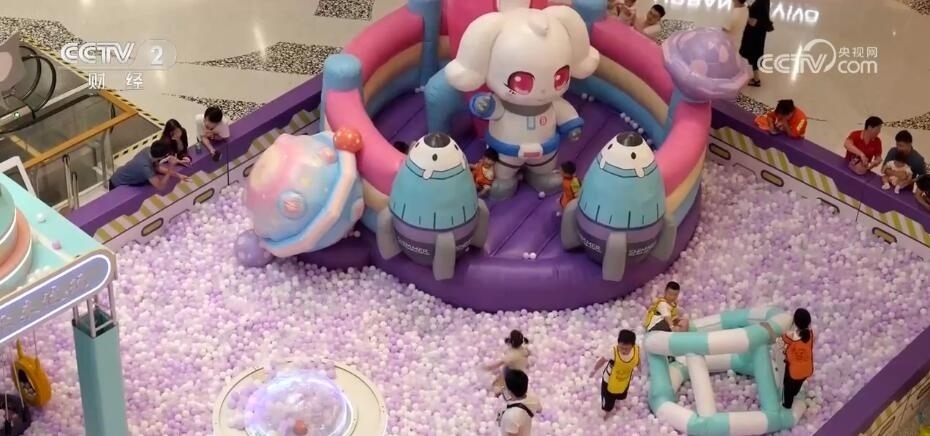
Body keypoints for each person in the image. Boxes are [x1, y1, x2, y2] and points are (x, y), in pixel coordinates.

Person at [590, 329, 640, 420]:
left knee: (621, 394)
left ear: (632, 346)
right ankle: (606, 413)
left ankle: (617, 401)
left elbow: (637, 360)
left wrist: (640, 370)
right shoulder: (613, 352)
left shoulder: (636, 350)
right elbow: (602, 360)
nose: (623, 351)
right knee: (608, 401)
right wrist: (594, 370)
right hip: (609, 380)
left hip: (624, 379)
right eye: (621, 347)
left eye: (626, 349)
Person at [109, 139, 187, 191]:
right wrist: (171, 167)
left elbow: (157, 168)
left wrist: (178, 175)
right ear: (161, 156)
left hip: (122, 173)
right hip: (117, 184)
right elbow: (160, 186)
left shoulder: (148, 150)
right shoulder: (145, 168)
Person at [782, 308, 814, 409]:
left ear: (795, 323)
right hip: (807, 370)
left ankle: (787, 405)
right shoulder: (811, 335)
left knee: (787, 387)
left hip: (794, 371)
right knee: (798, 382)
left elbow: (783, 337)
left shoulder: (792, 336)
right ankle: (795, 392)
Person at [483, 330, 531, 396]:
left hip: (513, 374)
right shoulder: (524, 349)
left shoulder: (512, 354)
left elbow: (499, 363)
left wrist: (488, 368)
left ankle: (502, 397)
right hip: (521, 373)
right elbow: (528, 354)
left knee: (497, 385)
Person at [497, 369, 542, 436]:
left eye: (505, 387)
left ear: (510, 391)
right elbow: (539, 410)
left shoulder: (511, 416)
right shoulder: (533, 398)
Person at [739, 0, 774, 87]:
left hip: (754, 35)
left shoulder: (761, 2)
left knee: (753, 54)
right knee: (753, 54)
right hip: (757, 34)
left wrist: (747, 16)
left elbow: (757, 20)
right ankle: (755, 78)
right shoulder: (763, 1)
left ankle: (756, 79)